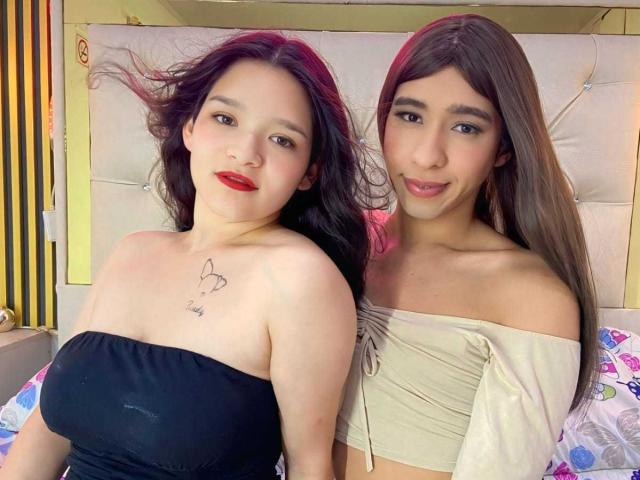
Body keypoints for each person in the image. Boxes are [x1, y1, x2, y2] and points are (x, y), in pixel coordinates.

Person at [1, 31, 375, 480]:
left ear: (309, 172)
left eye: (282, 140)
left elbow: (309, 466)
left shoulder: (302, 279)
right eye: (225, 118)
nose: (245, 153)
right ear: (190, 128)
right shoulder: (133, 251)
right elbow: (48, 429)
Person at [333, 14, 599, 480]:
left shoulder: (531, 296)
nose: (427, 155)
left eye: (466, 127)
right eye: (410, 116)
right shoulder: (339, 245)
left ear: (504, 148)